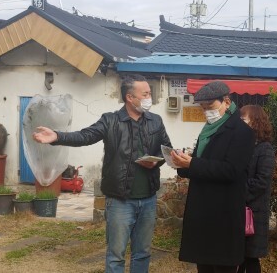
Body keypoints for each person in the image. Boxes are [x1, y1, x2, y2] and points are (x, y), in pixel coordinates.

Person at [32, 74, 172, 273]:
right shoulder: (110, 121)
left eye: (150, 93)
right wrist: (57, 136)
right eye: (146, 94)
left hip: (148, 198)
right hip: (120, 201)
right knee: (116, 255)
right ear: (130, 98)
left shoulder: (155, 121)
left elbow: (166, 148)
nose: (150, 98)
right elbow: (85, 136)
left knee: (143, 252)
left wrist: (155, 162)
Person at [171, 81, 255, 273]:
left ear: (226, 101)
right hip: (203, 209)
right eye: (202, 107)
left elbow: (231, 170)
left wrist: (192, 163)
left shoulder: (242, 132)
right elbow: (204, 162)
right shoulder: (208, 129)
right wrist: (182, 164)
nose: (206, 112)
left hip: (223, 211)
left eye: (210, 107)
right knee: (204, 264)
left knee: (221, 265)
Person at [237, 105, 276, 273]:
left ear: (256, 122)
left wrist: (238, 191)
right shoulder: (242, 146)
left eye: (244, 120)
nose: (240, 124)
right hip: (239, 209)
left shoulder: (264, 148)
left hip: (254, 212)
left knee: (251, 257)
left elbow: (261, 182)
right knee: (240, 257)